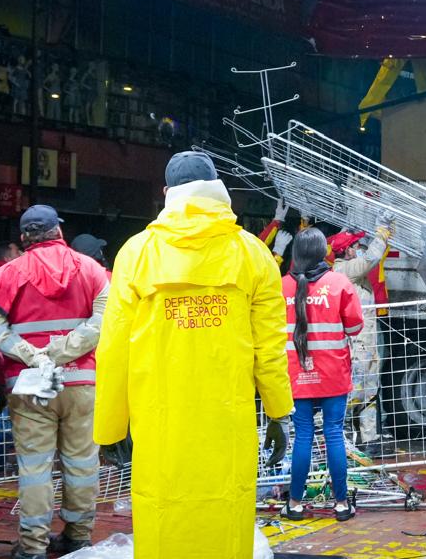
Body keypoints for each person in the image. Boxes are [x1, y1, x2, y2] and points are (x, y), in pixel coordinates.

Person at [94, 150, 293, 559]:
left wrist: (110, 429)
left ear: (168, 193)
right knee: (227, 518)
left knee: (164, 519)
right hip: (227, 424)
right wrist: (278, 412)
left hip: (159, 424)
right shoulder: (252, 254)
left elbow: (113, 348)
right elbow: (270, 349)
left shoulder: (136, 253)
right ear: (217, 190)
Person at [0, 206, 108, 559]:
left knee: (35, 468)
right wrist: (62, 352)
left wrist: (35, 356)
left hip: (28, 386)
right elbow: (103, 323)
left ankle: (33, 545)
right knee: (82, 463)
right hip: (81, 381)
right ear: (58, 231)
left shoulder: (6, 274)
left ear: (24, 237)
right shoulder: (93, 270)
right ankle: (78, 537)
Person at [281, 228, 365, 522]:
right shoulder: (339, 283)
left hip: (296, 376)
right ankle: (342, 504)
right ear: (322, 252)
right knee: (334, 434)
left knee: (302, 436)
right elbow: (355, 328)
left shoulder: (281, 288)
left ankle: (294, 503)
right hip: (333, 376)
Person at [328, 224, 392, 447]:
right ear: (348, 251)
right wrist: (382, 232)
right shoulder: (344, 270)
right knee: (355, 388)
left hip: (367, 341)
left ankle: (370, 437)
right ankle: (341, 432)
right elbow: (371, 258)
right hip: (357, 343)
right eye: (356, 245)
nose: (360, 248)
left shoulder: (350, 270)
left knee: (369, 388)